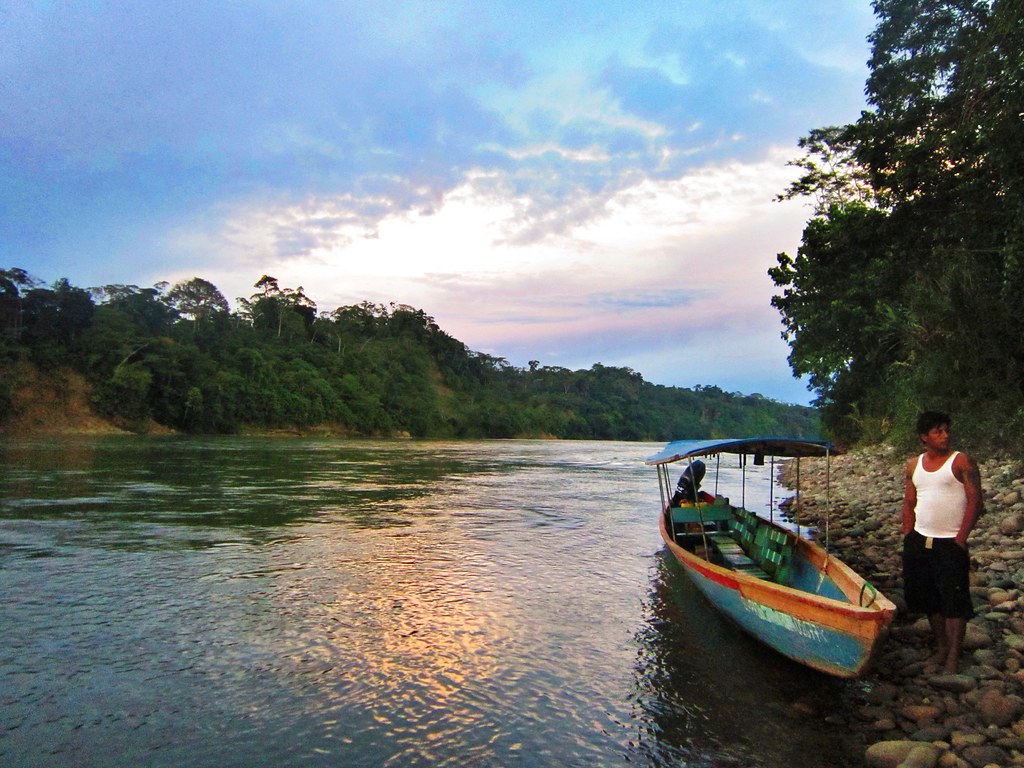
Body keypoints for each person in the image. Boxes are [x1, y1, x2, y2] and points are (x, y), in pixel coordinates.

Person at [901, 410, 983, 673]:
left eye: (946, 430)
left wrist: (961, 538)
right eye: (938, 431)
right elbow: (909, 501)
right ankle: (941, 647)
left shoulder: (961, 462)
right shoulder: (914, 465)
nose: (945, 435)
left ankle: (953, 656)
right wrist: (907, 534)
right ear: (924, 437)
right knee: (929, 598)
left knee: (954, 601)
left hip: (949, 542)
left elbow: (975, 501)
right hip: (920, 540)